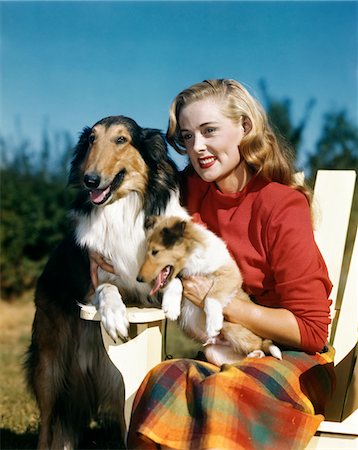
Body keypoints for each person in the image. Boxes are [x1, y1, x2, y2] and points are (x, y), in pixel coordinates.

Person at [93, 79, 335, 449]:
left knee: (224, 394)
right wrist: (99, 254)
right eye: (187, 137)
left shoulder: (281, 206)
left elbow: (311, 330)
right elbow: (126, 216)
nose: (197, 148)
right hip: (225, 351)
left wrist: (222, 301)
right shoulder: (188, 191)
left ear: (245, 127)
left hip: (292, 359)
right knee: (164, 380)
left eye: (209, 131)